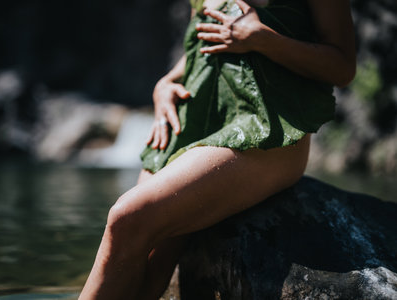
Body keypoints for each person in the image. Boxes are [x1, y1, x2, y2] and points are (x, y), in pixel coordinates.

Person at [79, 0, 356, 299]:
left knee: (126, 218)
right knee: (150, 259)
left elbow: (342, 66)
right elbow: (200, 44)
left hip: (265, 128)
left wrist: (264, 40)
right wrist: (166, 83)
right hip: (193, 119)